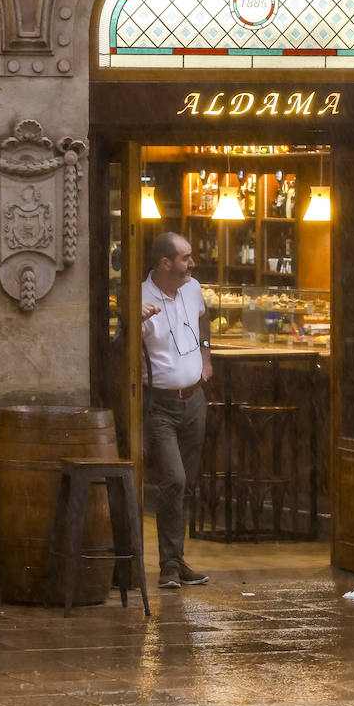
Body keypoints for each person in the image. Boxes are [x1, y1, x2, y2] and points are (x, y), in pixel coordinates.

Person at [141, 231, 213, 589]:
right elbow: (115, 351)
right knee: (174, 480)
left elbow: (203, 320)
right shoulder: (139, 298)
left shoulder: (193, 288)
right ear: (165, 263)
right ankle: (169, 564)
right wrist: (133, 321)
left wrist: (206, 355)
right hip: (160, 405)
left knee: (185, 484)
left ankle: (176, 561)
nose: (192, 264)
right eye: (186, 258)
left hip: (194, 400)